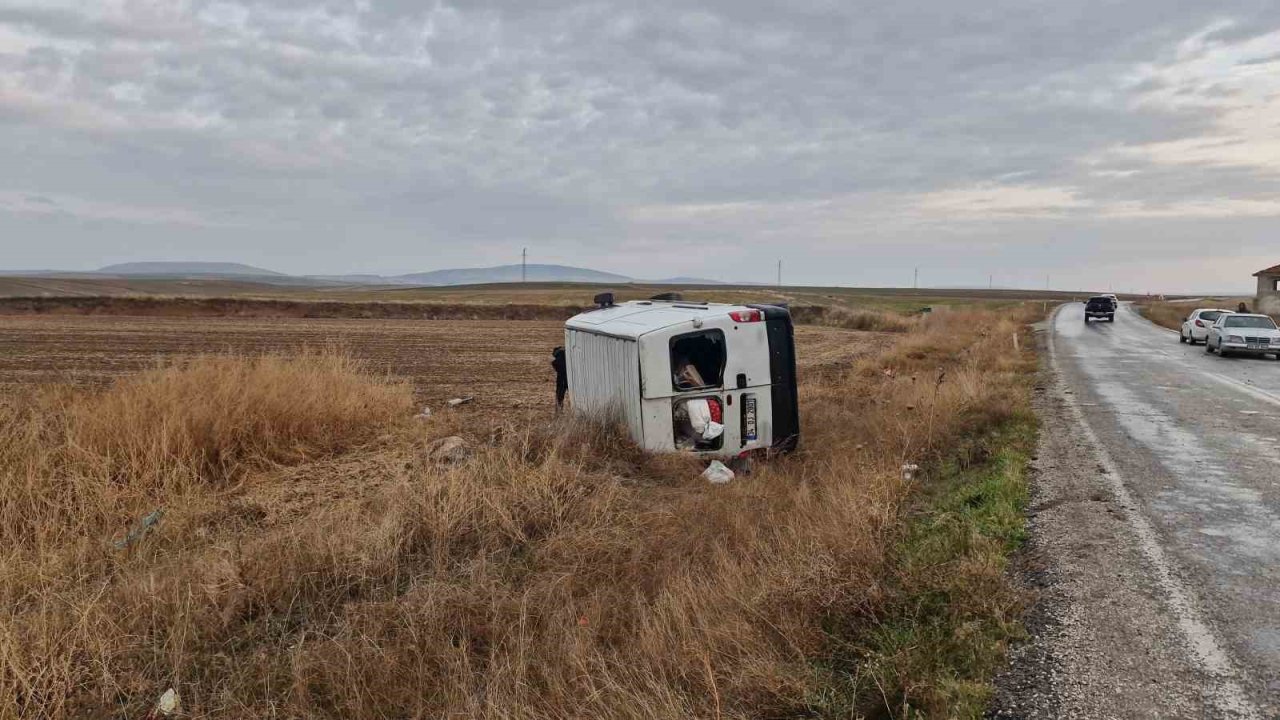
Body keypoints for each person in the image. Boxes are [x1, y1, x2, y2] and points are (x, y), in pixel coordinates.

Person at [551, 346, 567, 411]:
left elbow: (555, 363)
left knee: (559, 395)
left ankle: (558, 411)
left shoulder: (560, 354)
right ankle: (559, 410)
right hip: (566, 376)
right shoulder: (564, 352)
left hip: (562, 378)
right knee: (560, 395)